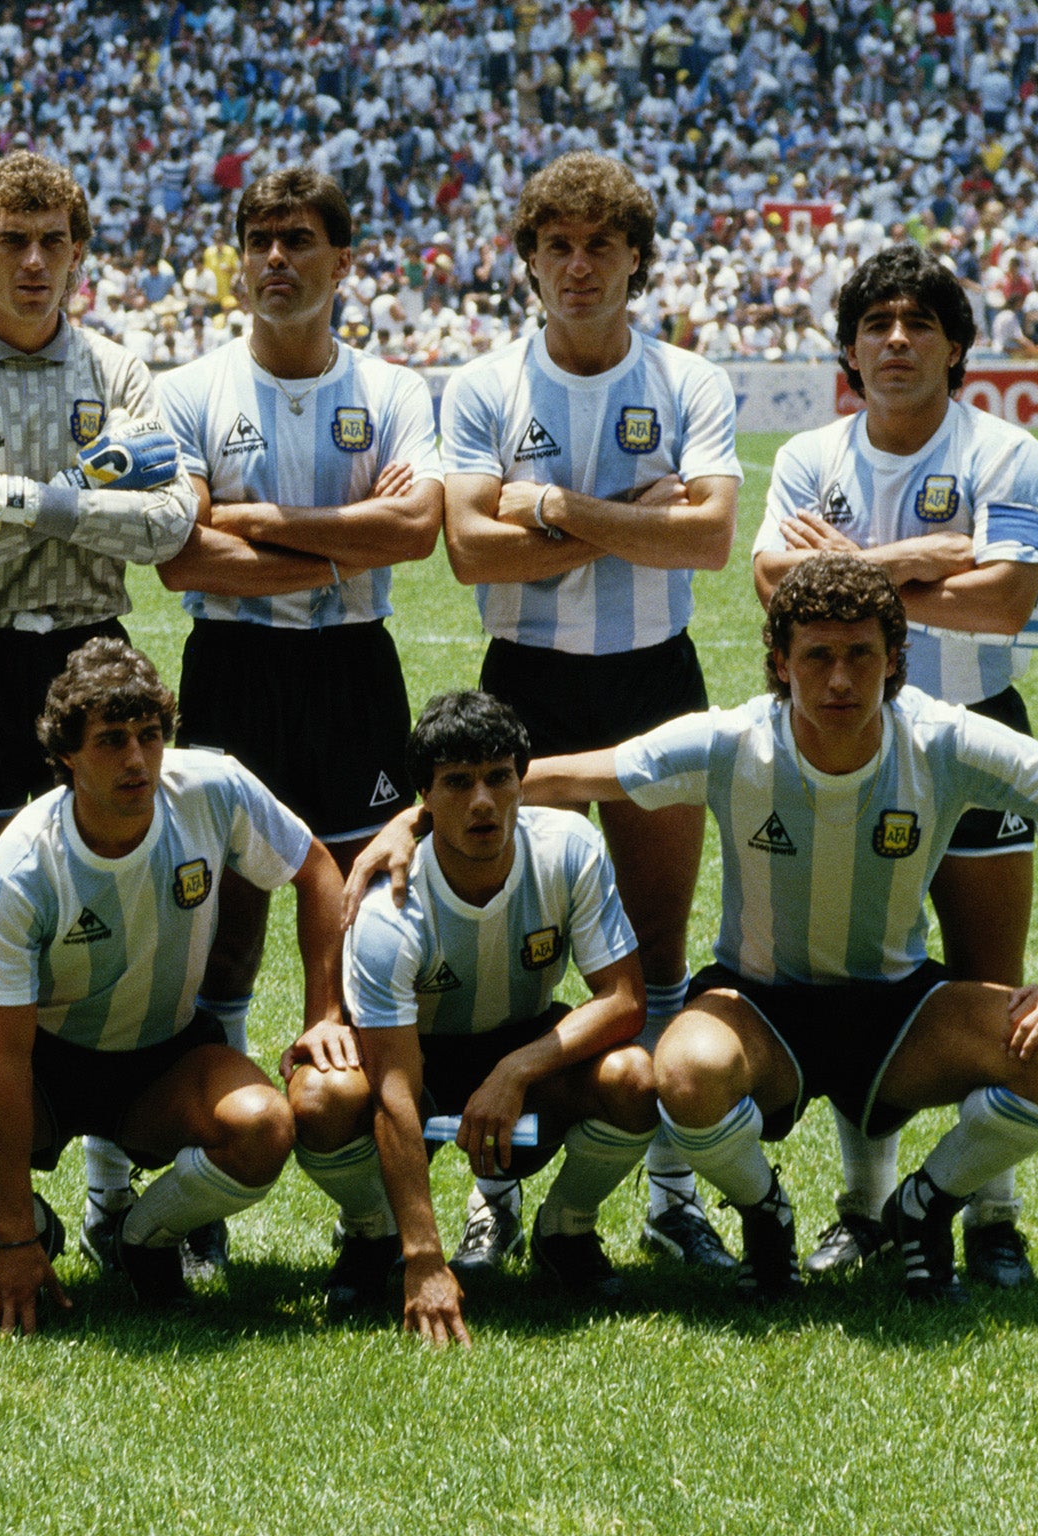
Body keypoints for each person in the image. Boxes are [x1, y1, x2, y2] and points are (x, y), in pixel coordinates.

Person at [483, 555, 1038, 1301]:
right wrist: (415, 823)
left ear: (895, 660)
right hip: (760, 1007)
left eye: (860, 655)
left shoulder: (943, 740)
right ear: (780, 662)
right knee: (682, 1072)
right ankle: (764, 1210)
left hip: (897, 1008)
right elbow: (564, 777)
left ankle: (926, 1204)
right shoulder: (733, 741)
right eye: (817, 656)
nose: (839, 680)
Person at [0, 152, 196, 1293]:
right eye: (9, 238)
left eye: (52, 239)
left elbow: (162, 523)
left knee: (117, 900)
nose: (31, 260)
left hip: (90, 649)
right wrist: (75, 499)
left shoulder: (117, 363)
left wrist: (7, 496)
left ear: (75, 249)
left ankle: (115, 1193)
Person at [435, 150, 741, 1273]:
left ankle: (666, 1194)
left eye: (598, 245)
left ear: (634, 261)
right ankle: (494, 1189)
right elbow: (471, 552)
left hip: (652, 676)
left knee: (657, 950)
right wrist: (630, 513)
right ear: (525, 262)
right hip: (523, 684)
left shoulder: (687, 381)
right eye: (554, 246)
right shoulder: (480, 386)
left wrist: (557, 507)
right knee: (494, 951)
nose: (577, 266)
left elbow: (705, 540)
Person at [753, 244, 1038, 1287]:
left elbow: (1003, 601)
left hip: (976, 732)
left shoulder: (1002, 451)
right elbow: (770, 588)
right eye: (874, 325)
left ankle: (987, 1212)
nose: (894, 342)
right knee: (865, 976)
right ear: (846, 349)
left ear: (953, 347)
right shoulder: (809, 457)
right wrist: (918, 558)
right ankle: (860, 1208)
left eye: (917, 324)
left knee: (988, 984)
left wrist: (839, 579)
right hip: (846, 747)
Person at [0, 639, 333, 1329]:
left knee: (264, 1127)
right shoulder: (24, 863)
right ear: (67, 755)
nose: (137, 759)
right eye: (111, 741)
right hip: (46, 1063)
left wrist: (322, 1015)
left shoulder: (212, 788)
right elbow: (10, 1055)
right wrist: (14, 1233)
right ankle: (39, 1232)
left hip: (166, 1059)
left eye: (148, 736)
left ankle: (146, 1237)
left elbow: (317, 871)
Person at [152, 166, 443, 1278]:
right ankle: (203, 1179)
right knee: (218, 916)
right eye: (259, 239)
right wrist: (336, 549)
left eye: (298, 240)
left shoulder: (395, 387)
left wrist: (270, 529)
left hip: (351, 672)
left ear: (342, 261)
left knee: (362, 899)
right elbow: (179, 549)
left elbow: (413, 528)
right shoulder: (187, 392)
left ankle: (367, 1205)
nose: (276, 258)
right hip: (228, 666)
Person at [293, 692, 653, 1342]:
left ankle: (565, 1231)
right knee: (320, 1098)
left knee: (633, 1077)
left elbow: (625, 999)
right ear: (423, 799)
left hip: (526, 1048)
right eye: (458, 783)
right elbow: (396, 1087)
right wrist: (427, 1257)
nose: (483, 801)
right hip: (417, 1057)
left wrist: (516, 1070)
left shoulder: (569, 847)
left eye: (498, 778)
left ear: (523, 781)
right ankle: (376, 1235)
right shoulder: (388, 912)